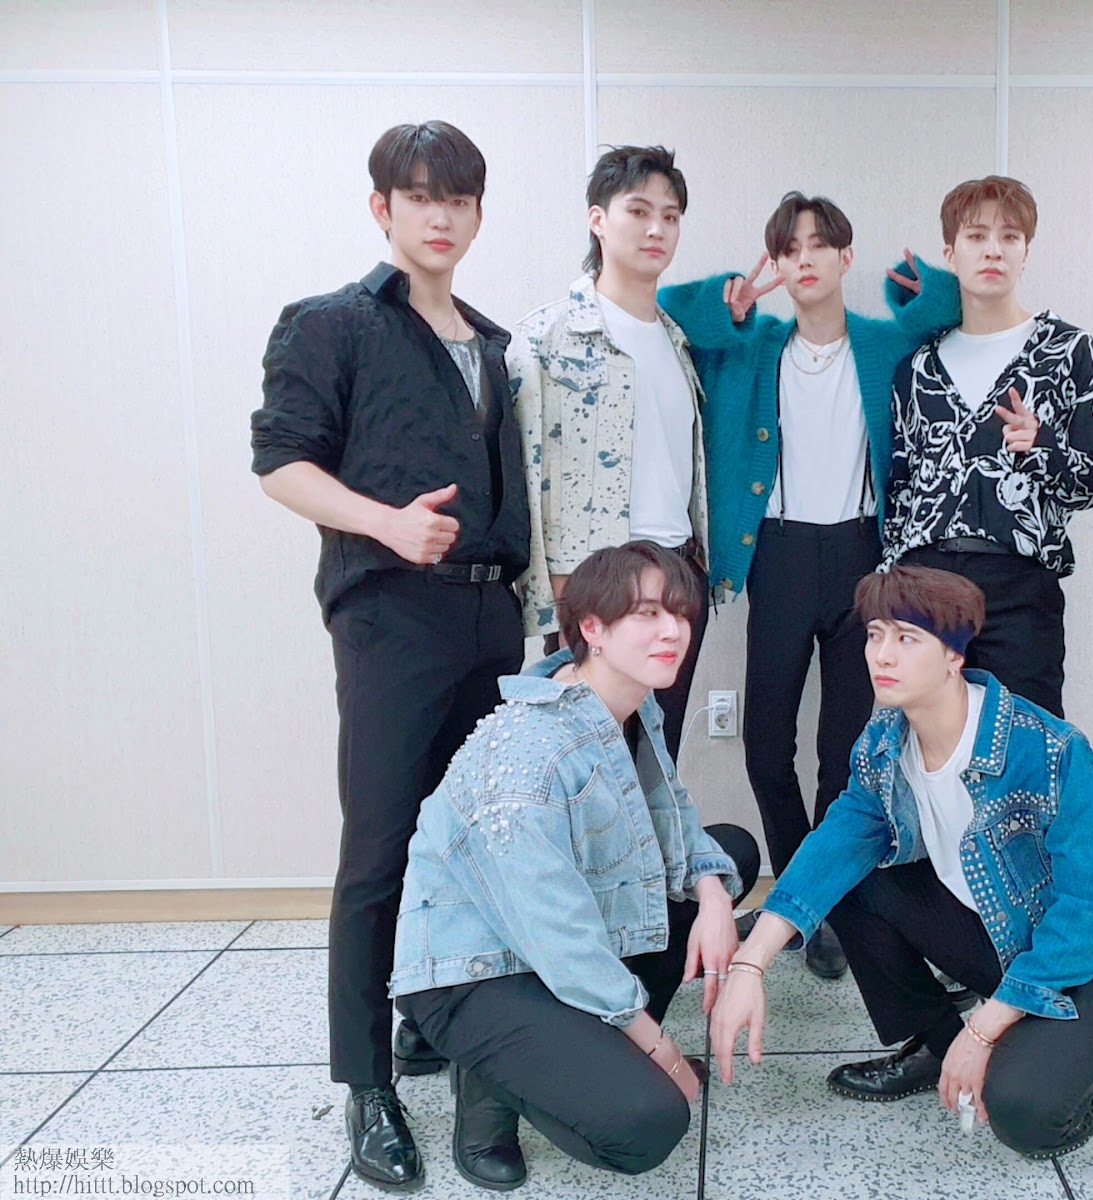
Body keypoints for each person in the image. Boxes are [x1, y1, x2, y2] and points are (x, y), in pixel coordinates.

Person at [250, 122, 529, 1191]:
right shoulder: (333, 324)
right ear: (383, 208)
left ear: (478, 214)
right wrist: (384, 523)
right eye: (419, 196)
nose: (440, 215)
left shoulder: (495, 344)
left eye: (457, 198)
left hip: (491, 618)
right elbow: (280, 463)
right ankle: (368, 1088)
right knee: (378, 849)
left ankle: (437, 1027)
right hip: (391, 617)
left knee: (473, 844)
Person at [710, 566, 1093, 1162]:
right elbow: (833, 846)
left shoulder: (1048, 750)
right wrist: (750, 965)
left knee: (1025, 1113)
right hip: (996, 936)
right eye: (875, 634)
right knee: (851, 876)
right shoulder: (884, 742)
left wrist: (985, 1029)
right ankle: (940, 1044)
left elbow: (1088, 909)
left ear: (954, 656)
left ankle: (1083, 1059)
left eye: (907, 638)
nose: (882, 655)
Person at [656, 192, 961, 980]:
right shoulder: (754, 345)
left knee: (844, 751)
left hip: (864, 558)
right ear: (779, 264)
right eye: (789, 249)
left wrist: (915, 288)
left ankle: (820, 905)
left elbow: (952, 309)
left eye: (819, 245)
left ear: (844, 257)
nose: (804, 260)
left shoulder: (882, 343)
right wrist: (730, 300)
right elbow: (669, 309)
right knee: (766, 742)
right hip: (781, 557)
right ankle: (801, 899)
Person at [390, 541, 759, 1189]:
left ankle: (579, 1047)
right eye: (647, 613)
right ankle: (489, 1088)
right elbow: (558, 935)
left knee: (731, 852)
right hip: (476, 970)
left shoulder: (628, 700)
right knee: (649, 1121)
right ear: (593, 628)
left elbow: (671, 814)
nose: (673, 631)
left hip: (550, 940)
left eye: (680, 613)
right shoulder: (529, 756)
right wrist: (660, 1050)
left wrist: (712, 898)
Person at [880, 176, 1093, 717]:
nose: (993, 250)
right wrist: (891, 587)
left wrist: (1042, 446)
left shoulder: (1068, 351)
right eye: (976, 236)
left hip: (1020, 585)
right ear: (950, 254)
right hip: (926, 587)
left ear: (1026, 252)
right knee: (926, 744)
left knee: (1027, 742)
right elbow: (900, 488)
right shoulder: (917, 368)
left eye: (1010, 237)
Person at [508, 145, 710, 759]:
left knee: (658, 758)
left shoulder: (677, 342)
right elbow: (524, 474)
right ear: (598, 219)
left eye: (670, 216)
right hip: (596, 581)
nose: (656, 229)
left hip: (678, 574)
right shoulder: (546, 337)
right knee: (589, 761)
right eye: (639, 211)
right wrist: (554, 590)